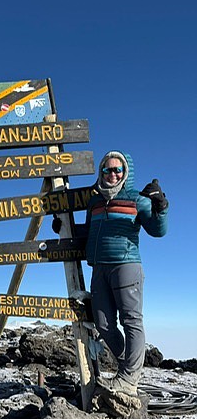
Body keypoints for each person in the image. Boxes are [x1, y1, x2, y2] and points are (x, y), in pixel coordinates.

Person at [52, 151, 168, 396]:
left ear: (125, 173)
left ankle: (128, 378)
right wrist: (63, 227)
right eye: (108, 170)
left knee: (131, 321)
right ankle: (129, 368)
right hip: (99, 268)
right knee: (103, 324)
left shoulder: (138, 199)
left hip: (126, 266)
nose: (112, 174)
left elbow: (158, 231)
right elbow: (90, 233)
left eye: (117, 170)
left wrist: (161, 207)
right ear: (101, 173)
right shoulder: (95, 202)